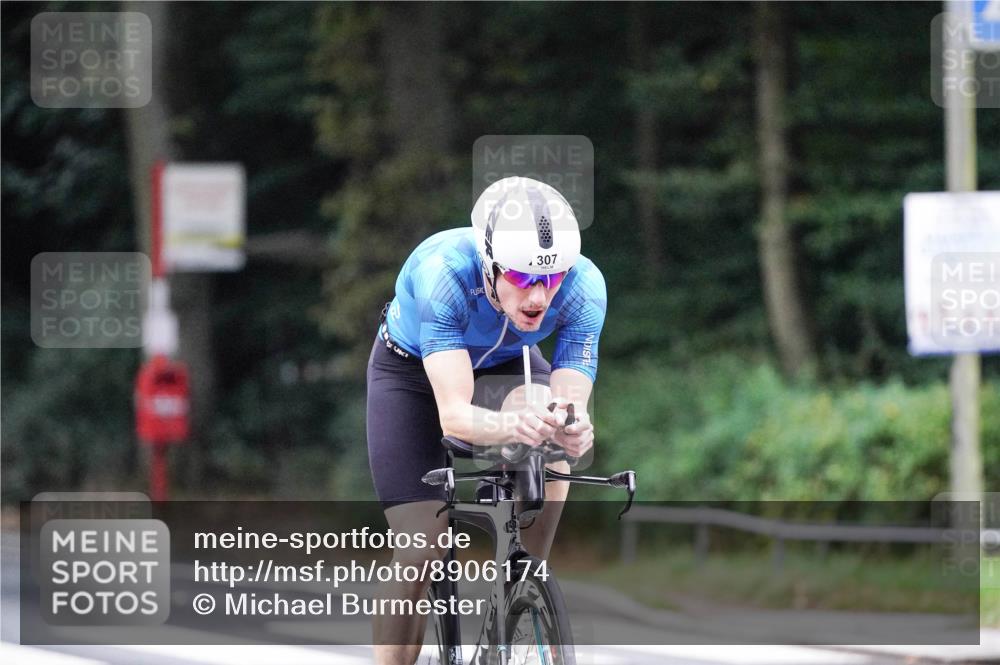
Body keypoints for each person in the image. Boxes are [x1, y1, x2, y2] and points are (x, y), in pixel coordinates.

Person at [366, 176, 607, 665]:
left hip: (505, 361)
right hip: (412, 371)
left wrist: (573, 425)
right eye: (522, 278)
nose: (539, 296)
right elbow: (454, 416)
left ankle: (525, 587)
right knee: (420, 551)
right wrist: (511, 429)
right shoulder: (444, 273)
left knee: (552, 442)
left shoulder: (585, 285)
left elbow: (569, 404)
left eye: (552, 277)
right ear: (490, 263)